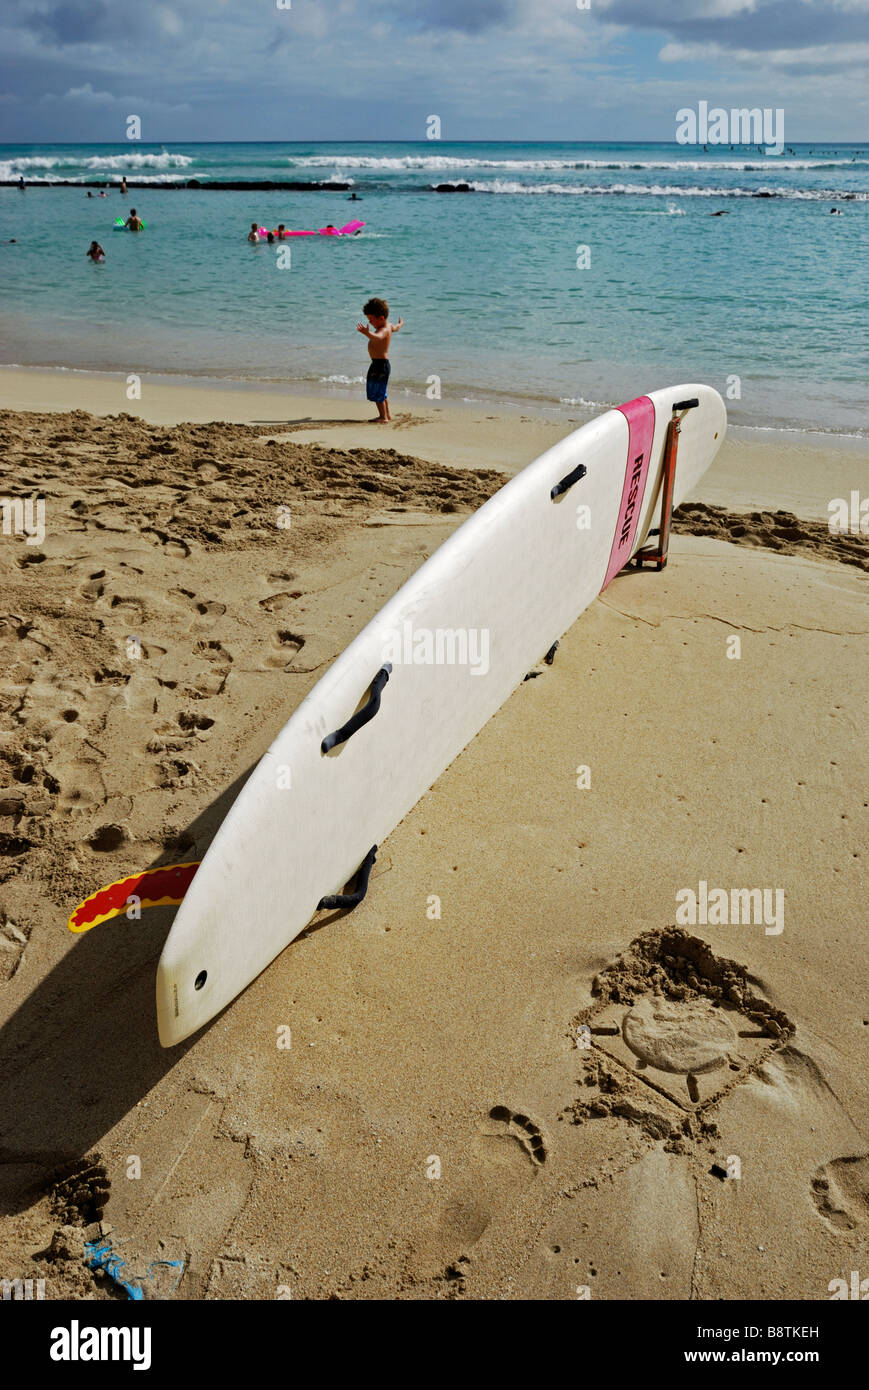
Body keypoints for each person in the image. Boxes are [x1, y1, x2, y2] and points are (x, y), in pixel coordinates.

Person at [356, 296, 403, 424]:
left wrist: (367, 333)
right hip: (380, 364)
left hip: (380, 365)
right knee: (381, 391)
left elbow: (377, 337)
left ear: (381, 318)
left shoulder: (383, 330)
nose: (370, 323)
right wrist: (400, 324)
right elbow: (396, 328)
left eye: (371, 320)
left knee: (377, 391)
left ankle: (383, 417)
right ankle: (386, 414)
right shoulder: (389, 326)